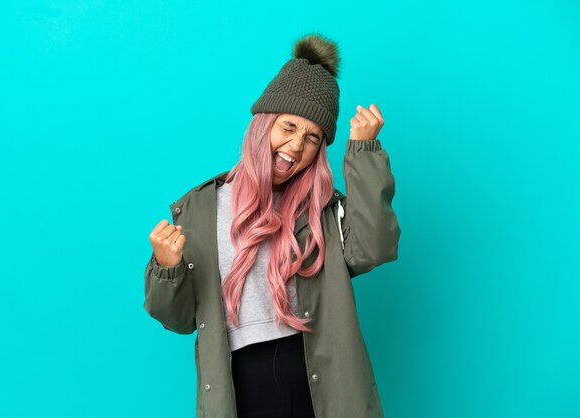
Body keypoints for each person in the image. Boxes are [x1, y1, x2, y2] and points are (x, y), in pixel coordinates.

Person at [143, 33, 401, 418]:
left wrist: (363, 152)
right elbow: (180, 320)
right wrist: (167, 269)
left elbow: (373, 248)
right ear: (264, 124)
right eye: (289, 127)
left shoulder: (324, 209)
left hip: (318, 376)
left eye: (313, 138)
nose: (296, 147)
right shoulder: (200, 208)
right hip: (238, 382)